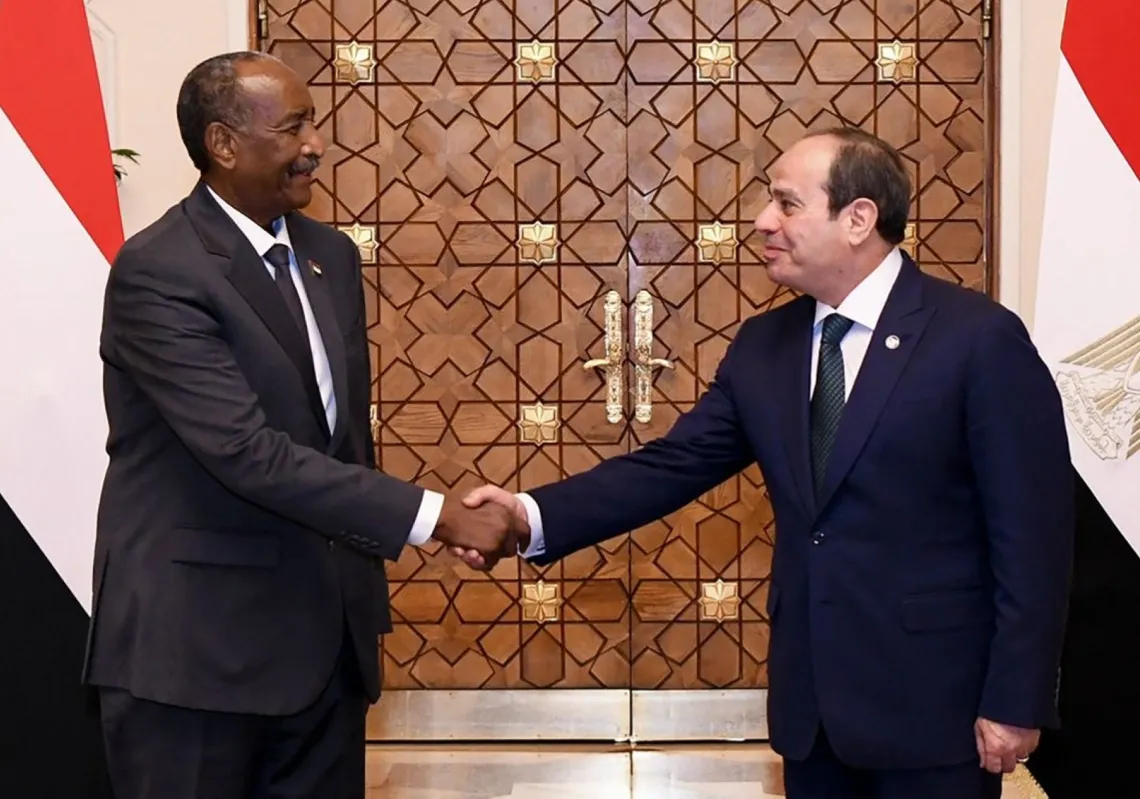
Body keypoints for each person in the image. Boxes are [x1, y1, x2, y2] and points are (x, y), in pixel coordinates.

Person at [459, 128, 1074, 798]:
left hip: (936, 709)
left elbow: (1033, 539)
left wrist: (1017, 696)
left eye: (787, 203)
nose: (762, 221)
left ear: (858, 219)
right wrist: (529, 514)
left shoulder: (977, 339)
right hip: (812, 714)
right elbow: (672, 465)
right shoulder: (766, 345)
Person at [82, 51, 519, 799]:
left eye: (312, 122)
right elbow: (247, 453)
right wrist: (435, 517)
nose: (316, 143)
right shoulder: (160, 270)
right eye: (293, 127)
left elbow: (340, 442)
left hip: (324, 652)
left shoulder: (329, 256)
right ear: (223, 145)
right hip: (196, 659)